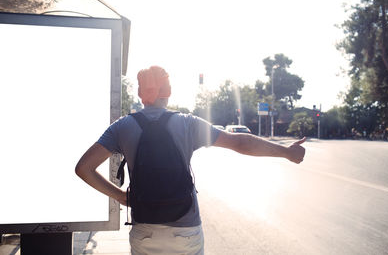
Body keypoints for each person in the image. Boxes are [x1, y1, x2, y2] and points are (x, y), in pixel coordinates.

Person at [75, 65, 306, 255]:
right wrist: (286, 151)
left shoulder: (123, 127)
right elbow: (240, 142)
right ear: (169, 92)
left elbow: (84, 168)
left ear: (140, 93)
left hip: (145, 230)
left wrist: (121, 196)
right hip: (185, 230)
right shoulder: (187, 123)